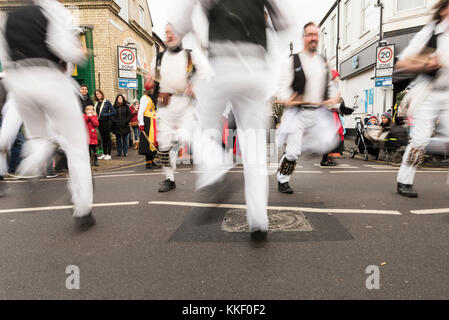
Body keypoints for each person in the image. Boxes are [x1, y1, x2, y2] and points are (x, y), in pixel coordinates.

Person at [169, 0, 293, 240]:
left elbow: (183, 19)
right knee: (255, 148)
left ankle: (217, 169)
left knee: (200, 124)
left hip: (223, 62)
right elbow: (284, 22)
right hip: (256, 68)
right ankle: (258, 222)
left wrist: (185, 31)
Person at [0, 0, 95, 229]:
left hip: (19, 81)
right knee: (77, 146)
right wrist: (81, 53)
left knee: (38, 138)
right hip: (49, 77)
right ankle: (83, 211)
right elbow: (62, 47)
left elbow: (4, 58)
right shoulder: (51, 8)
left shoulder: (7, 17)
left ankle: (30, 165)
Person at [276, 22, 341, 194]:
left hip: (317, 113)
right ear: (304, 38)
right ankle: (283, 179)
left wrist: (333, 100)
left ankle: (308, 146)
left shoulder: (323, 63)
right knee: (292, 152)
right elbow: (283, 87)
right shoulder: (293, 60)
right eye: (310, 34)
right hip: (296, 113)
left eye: (316, 35)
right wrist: (288, 99)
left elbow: (329, 88)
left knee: (328, 141)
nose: (314, 38)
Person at [395, 0, 449, 198]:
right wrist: (427, 63)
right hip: (429, 93)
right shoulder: (431, 33)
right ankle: (404, 180)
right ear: (444, 10)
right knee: (419, 140)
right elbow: (403, 63)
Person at [146, 24, 197, 193]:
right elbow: (156, 79)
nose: (168, 35)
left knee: (184, 135)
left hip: (185, 104)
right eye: (166, 32)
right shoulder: (159, 58)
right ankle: (169, 179)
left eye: (171, 32)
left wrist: (194, 87)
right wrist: (150, 81)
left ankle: (177, 139)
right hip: (165, 104)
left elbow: (203, 78)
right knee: (163, 146)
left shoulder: (190, 57)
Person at [138, 87, 161, 169]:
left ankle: (152, 161)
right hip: (147, 121)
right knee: (148, 141)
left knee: (153, 141)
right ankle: (148, 162)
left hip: (153, 121)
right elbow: (140, 112)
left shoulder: (152, 98)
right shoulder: (144, 98)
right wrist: (141, 123)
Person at [94, 89, 116, 161]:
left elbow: (114, 112)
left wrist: (105, 115)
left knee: (107, 138)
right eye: (97, 94)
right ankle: (104, 153)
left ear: (102, 94)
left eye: (99, 93)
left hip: (106, 122)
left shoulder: (107, 102)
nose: (98, 95)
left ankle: (108, 154)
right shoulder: (96, 103)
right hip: (99, 123)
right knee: (103, 139)